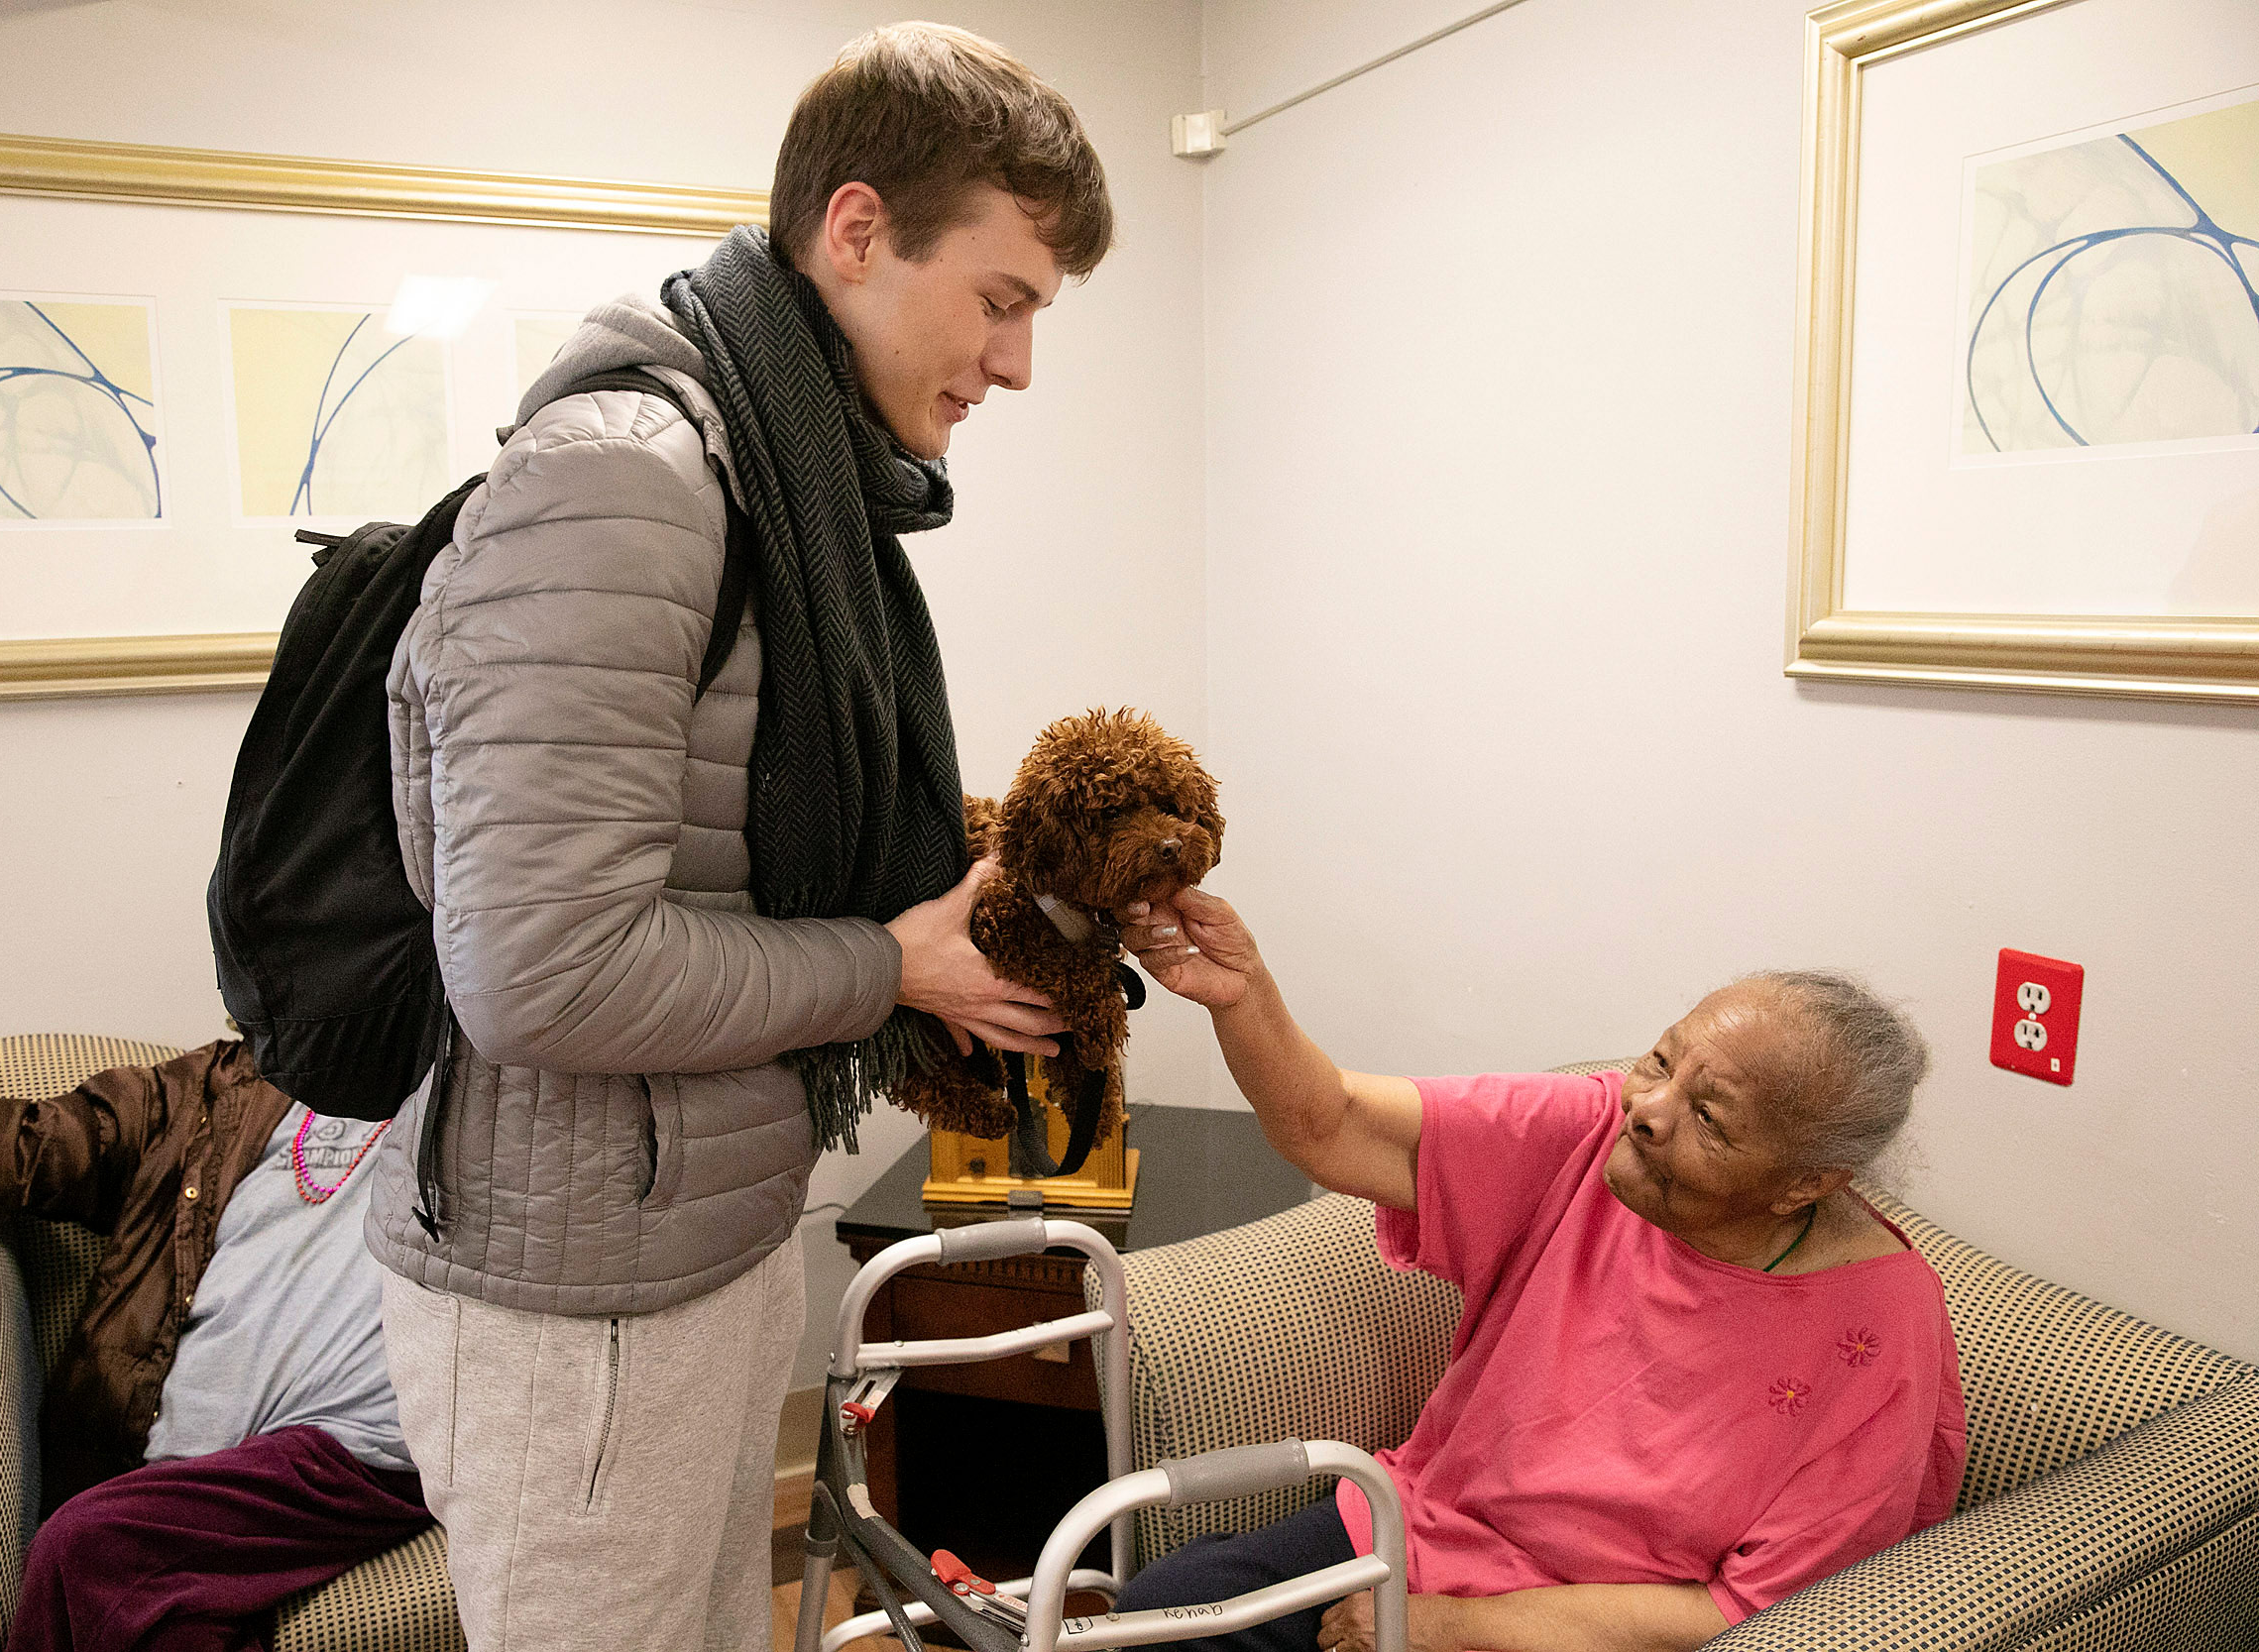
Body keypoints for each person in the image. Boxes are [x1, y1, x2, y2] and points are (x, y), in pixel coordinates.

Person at [366, 22, 1113, 1652]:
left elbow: (735, 840)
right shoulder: (630, 475)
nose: (1018, 364)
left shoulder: (781, 477)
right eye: (1002, 300)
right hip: (575, 1306)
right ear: (857, 231)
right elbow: (539, 971)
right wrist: (886, 963)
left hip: (686, 1242)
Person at [1112, 889, 1968, 1652]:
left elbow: (1752, 1610)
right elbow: (1331, 1124)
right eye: (1662, 1062)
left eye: (1709, 1116)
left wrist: (1452, 1629)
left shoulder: (1881, 1329)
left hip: (1601, 1625)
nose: (1647, 1113)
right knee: (1165, 1614)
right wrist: (1243, 991)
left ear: (1807, 1182)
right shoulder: (1592, 1127)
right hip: (1428, 1529)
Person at [0, 1040, 429, 1652]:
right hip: (175, 1457)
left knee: (87, 1546)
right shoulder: (227, 1085)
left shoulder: (475, 1091)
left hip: (349, 1453)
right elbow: (32, 1141)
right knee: (133, 1594)